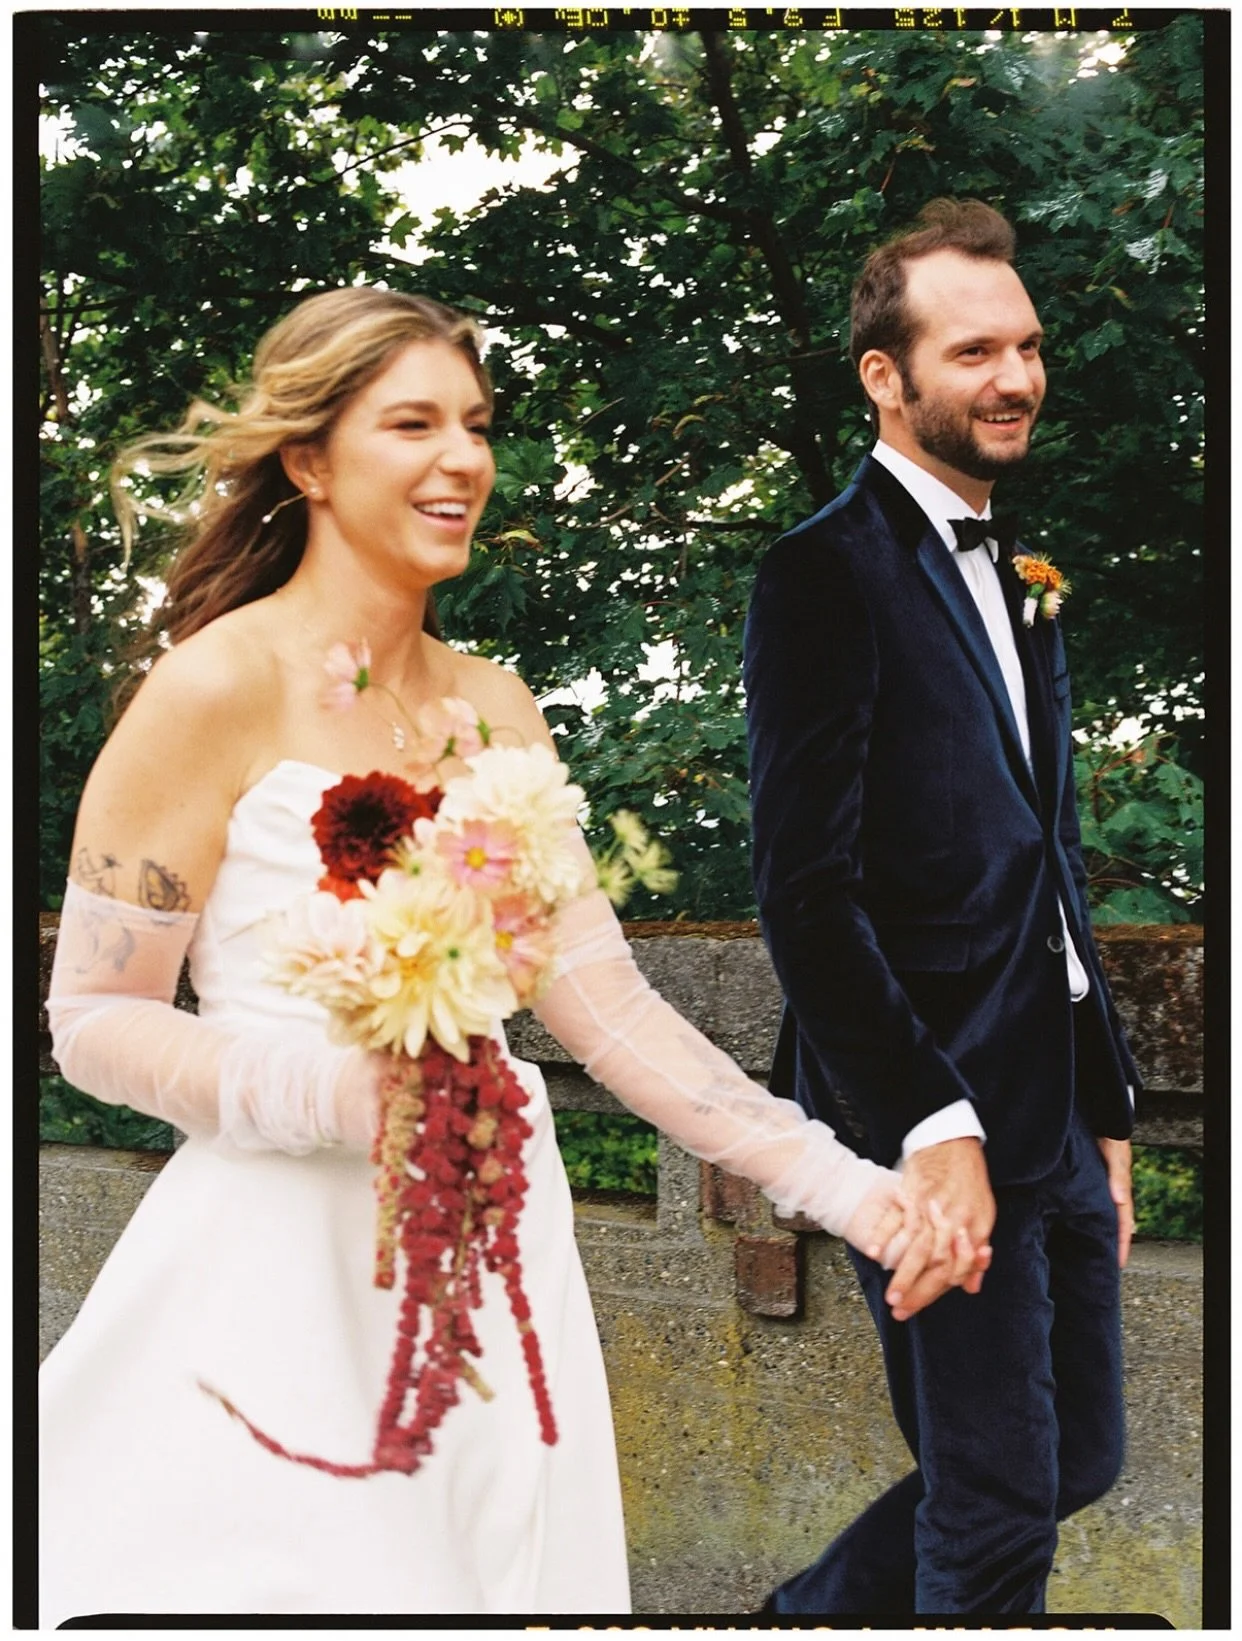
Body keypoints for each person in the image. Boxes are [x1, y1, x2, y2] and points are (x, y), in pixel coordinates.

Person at [39, 286, 977, 1623]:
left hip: (487, 1274)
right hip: (273, 1282)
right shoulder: (212, 686)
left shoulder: (493, 707)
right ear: (307, 461)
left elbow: (611, 1017)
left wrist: (858, 1195)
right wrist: (339, 1098)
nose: (463, 458)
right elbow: (91, 1017)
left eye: (475, 425)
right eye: (411, 423)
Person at [743, 199, 1140, 1616]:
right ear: (883, 376)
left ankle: (804, 1618)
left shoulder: (1020, 579)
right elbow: (803, 889)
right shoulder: (817, 575)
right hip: (923, 1114)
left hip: (1051, 1112)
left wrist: (1103, 1107)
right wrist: (929, 1125)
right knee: (988, 1506)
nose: (1016, 377)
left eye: (1025, 346)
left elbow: (1046, 859)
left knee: (1073, 1459)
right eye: (973, 350)